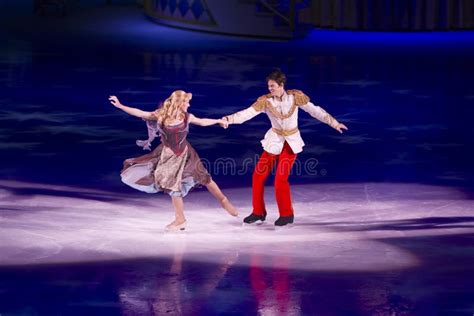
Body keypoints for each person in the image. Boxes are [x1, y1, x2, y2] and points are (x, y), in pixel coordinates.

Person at [222, 69, 348, 227]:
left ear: (281, 85)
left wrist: (334, 123)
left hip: (291, 143)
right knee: (257, 176)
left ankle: (287, 215)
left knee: (280, 179)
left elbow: (316, 111)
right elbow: (247, 114)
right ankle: (258, 212)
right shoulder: (266, 101)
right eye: (269, 86)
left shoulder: (295, 97)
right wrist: (228, 119)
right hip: (273, 142)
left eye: (273, 86)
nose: (270, 89)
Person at [109, 90, 238, 232]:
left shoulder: (187, 117)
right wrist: (121, 105)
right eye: (187, 102)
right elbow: (140, 113)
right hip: (168, 157)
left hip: (186, 154)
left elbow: (202, 121)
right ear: (180, 103)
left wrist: (219, 120)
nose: (188, 105)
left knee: (204, 177)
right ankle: (180, 220)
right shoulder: (161, 115)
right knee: (173, 188)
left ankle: (224, 201)